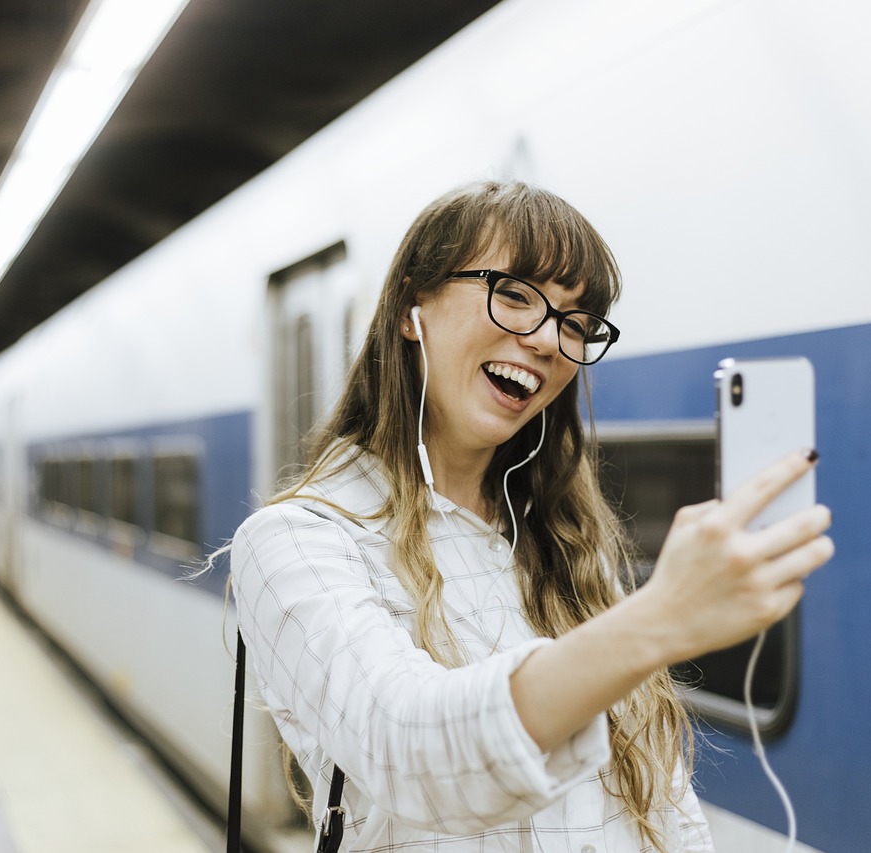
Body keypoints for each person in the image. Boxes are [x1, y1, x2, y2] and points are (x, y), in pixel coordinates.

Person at [227, 180, 833, 852]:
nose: (549, 339)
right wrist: (658, 619)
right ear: (410, 306)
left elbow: (660, 794)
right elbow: (409, 751)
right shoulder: (299, 540)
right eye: (513, 293)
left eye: (576, 323)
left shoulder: (568, 542)